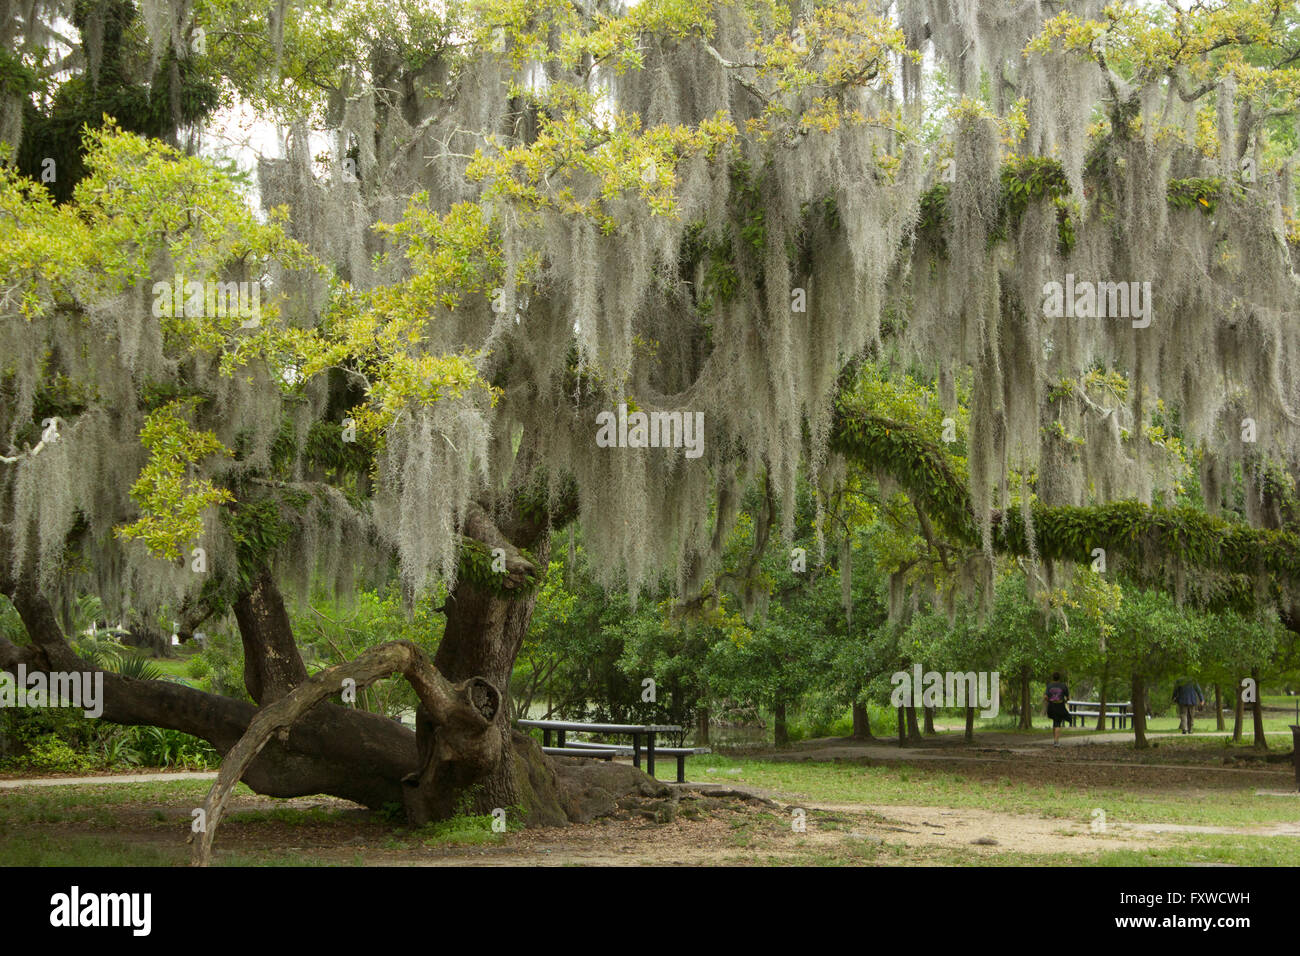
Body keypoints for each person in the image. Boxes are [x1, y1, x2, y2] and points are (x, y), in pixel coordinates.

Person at [1044, 672, 1070, 746]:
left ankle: (1055, 740)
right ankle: (1056, 742)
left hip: (1051, 706)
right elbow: (1068, 697)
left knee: (1055, 722)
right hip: (1060, 705)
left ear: (1053, 677)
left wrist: (1049, 700)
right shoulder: (1063, 686)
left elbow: (1045, 696)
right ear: (1059, 678)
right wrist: (1064, 701)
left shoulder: (1049, 686)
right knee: (1058, 723)